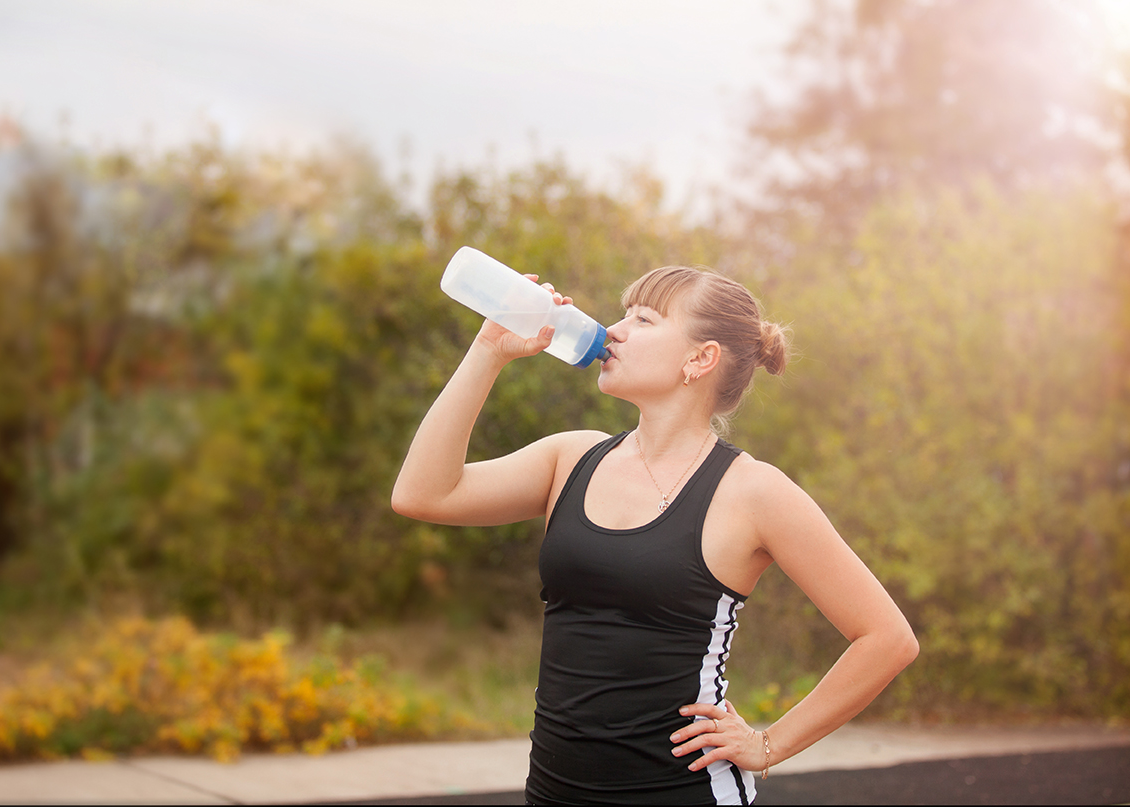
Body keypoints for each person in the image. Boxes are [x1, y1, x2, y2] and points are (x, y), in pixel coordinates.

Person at [392, 264, 918, 805]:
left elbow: (887, 639)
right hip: (554, 793)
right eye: (623, 315)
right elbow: (423, 494)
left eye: (643, 319)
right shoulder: (570, 458)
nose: (615, 329)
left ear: (700, 358)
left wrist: (767, 745)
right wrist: (488, 350)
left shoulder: (753, 493)